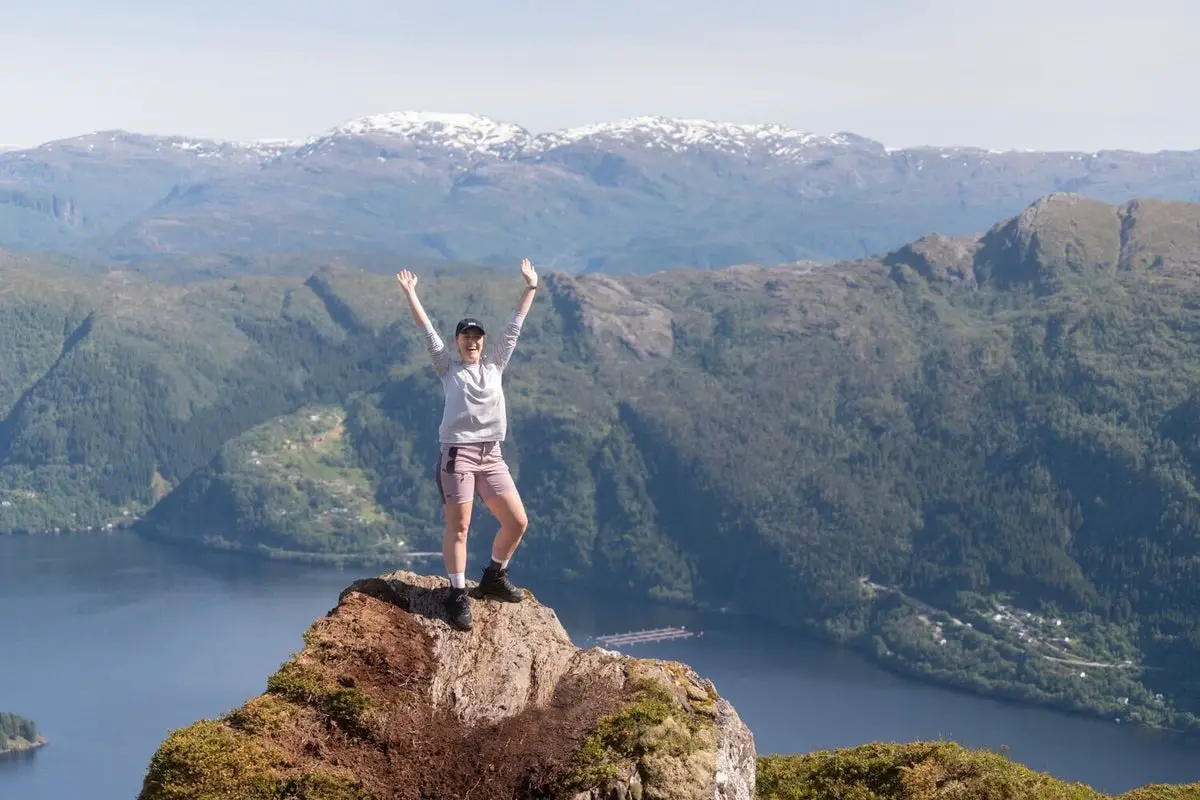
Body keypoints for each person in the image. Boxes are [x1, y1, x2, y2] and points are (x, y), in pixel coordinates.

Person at [395, 259, 539, 632]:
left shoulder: (495, 366)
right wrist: (411, 294)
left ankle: (493, 576)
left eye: (476, 337)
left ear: (482, 343)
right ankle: (457, 593)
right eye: (465, 337)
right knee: (459, 528)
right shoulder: (447, 368)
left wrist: (530, 288)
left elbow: (514, 329)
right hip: (456, 456)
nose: (471, 342)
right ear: (458, 342)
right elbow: (426, 331)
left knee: (517, 521)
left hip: (491, 455)